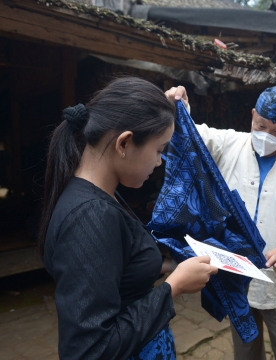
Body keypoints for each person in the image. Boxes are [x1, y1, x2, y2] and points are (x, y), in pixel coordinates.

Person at [38, 77, 218, 359]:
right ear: (124, 143)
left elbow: (117, 267)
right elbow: (91, 350)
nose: (160, 162)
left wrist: (172, 264)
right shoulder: (91, 216)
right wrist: (174, 287)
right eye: (159, 150)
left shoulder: (99, 194)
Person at [166, 85, 276, 360]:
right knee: (245, 349)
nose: (266, 135)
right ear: (252, 115)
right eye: (261, 125)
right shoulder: (231, 144)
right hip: (236, 275)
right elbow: (195, 136)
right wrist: (179, 106)